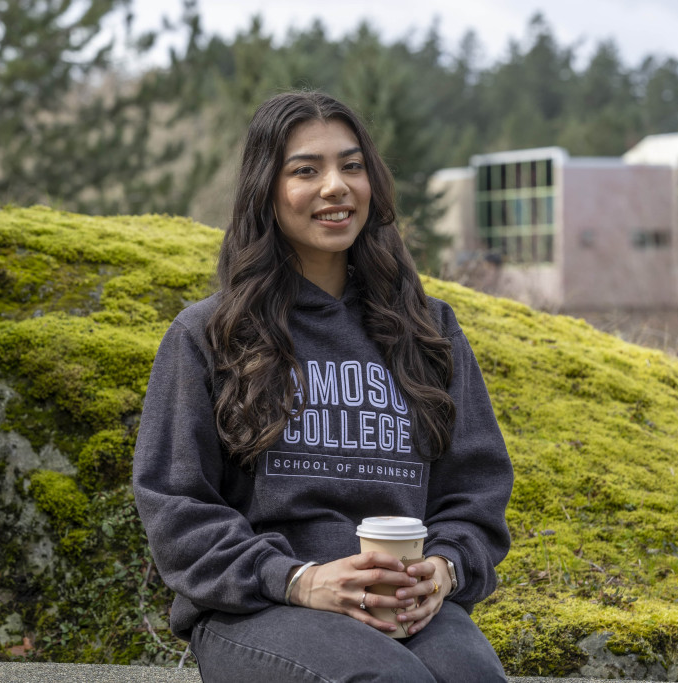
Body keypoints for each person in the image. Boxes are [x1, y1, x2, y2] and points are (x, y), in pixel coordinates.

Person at [132, 91, 514, 682]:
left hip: (401, 603)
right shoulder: (208, 334)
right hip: (258, 606)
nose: (335, 186)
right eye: (306, 170)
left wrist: (443, 568)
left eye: (352, 166)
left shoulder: (428, 330)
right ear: (267, 189)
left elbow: (476, 487)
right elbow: (176, 505)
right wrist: (302, 580)